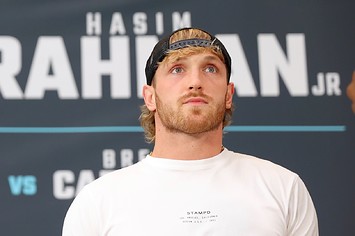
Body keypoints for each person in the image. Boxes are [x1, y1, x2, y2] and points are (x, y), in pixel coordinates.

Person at [62, 27, 319, 235]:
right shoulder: (97, 202)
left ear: (228, 94)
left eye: (210, 69)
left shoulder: (283, 188)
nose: (195, 82)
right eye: (177, 69)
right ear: (150, 97)